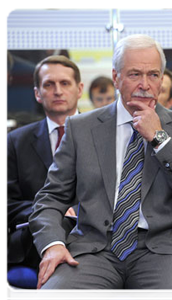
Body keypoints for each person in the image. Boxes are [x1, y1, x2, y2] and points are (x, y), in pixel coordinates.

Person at [29, 34, 172, 300]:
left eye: (153, 75)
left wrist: (160, 139)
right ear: (115, 77)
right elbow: (50, 199)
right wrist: (53, 244)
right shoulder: (81, 128)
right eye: (134, 74)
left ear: (162, 79)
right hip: (95, 251)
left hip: (162, 251)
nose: (144, 84)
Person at [6, 55, 82, 270]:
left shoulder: (103, 135)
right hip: (35, 240)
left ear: (79, 88)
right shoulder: (16, 141)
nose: (58, 91)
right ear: (37, 94)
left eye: (65, 83)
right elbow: (6, 202)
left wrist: (78, 210)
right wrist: (49, 210)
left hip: (91, 237)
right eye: (49, 84)